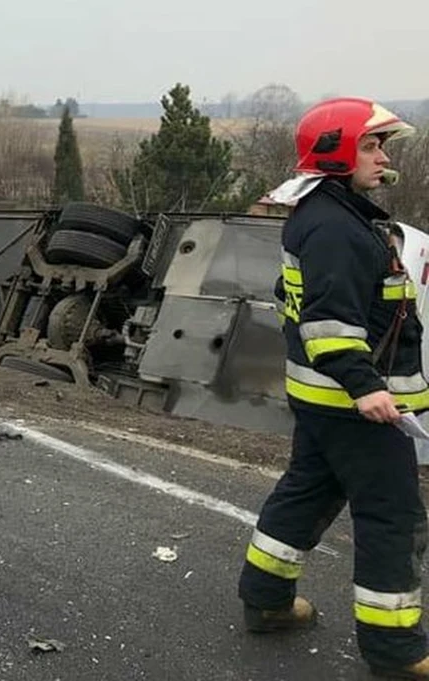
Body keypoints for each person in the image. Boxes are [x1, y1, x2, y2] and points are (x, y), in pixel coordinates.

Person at [238, 97, 429, 678]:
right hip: (357, 406)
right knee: (392, 518)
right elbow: (328, 321)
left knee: (308, 493)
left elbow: (292, 299)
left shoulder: (329, 212)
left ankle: (267, 601)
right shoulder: (335, 227)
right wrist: (366, 388)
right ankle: (396, 650)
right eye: (371, 145)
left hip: (323, 398)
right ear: (337, 150)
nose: (383, 156)